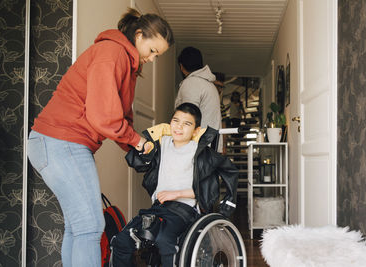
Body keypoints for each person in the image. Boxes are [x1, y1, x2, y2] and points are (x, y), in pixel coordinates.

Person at [26, 8, 174, 267]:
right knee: (91, 227)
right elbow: (103, 117)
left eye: (157, 55)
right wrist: (137, 141)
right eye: (152, 51)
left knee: (78, 227)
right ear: (139, 35)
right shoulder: (112, 53)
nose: (152, 59)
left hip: (57, 143)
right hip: (62, 142)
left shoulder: (126, 64)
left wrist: (137, 146)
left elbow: (120, 118)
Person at [110, 102, 238, 266]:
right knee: (122, 241)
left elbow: (213, 183)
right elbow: (137, 162)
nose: (179, 127)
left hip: (184, 210)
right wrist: (145, 150)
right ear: (170, 123)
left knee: (164, 239)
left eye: (187, 124)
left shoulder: (200, 153)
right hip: (158, 208)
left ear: (196, 130)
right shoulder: (161, 144)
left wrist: (177, 194)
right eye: (176, 121)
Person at [175, 47, 222, 132]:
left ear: (181, 66)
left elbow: (187, 117)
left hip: (197, 142)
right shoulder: (210, 85)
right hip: (209, 142)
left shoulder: (191, 83)